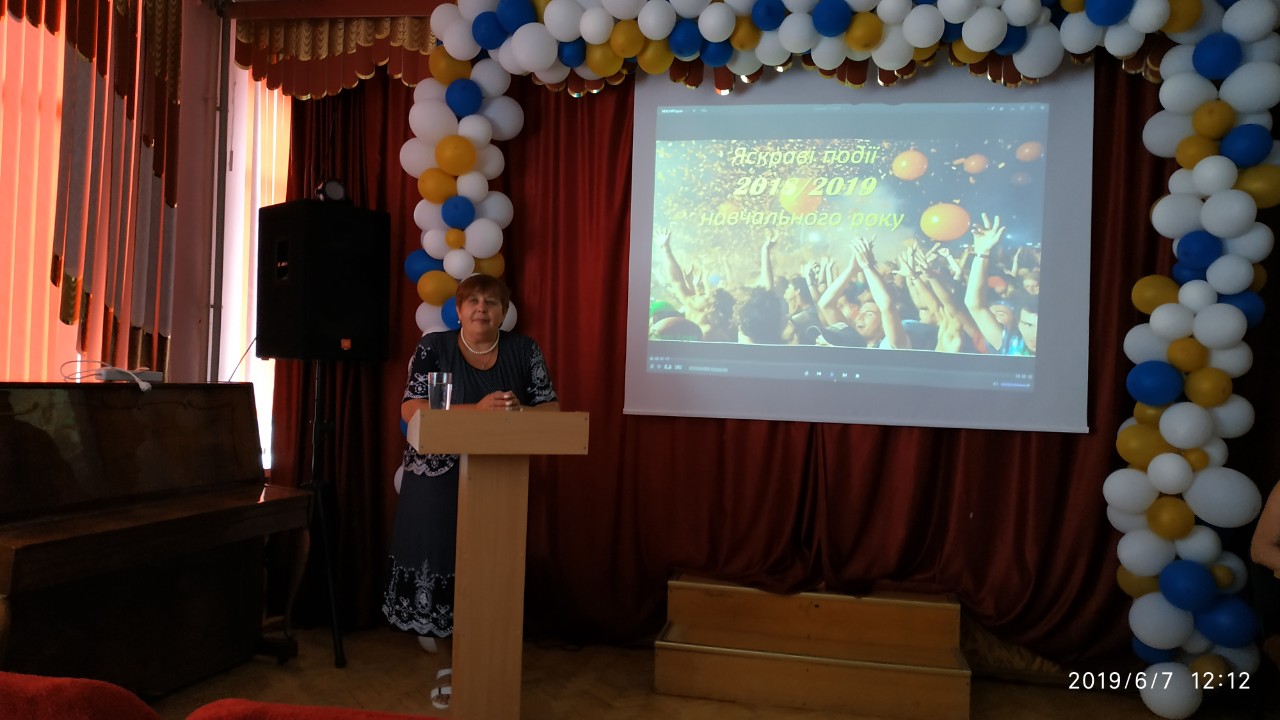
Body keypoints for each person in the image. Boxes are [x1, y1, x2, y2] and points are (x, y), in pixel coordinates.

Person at [382, 274, 559, 710]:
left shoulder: (525, 350)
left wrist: (518, 413)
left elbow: (551, 408)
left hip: (499, 481)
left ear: (504, 311)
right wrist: (476, 411)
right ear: (459, 311)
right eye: (473, 301)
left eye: (492, 302)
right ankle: (447, 666)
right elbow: (411, 407)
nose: (482, 308)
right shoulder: (433, 347)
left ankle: (488, 662)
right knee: (443, 568)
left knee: (490, 569)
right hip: (435, 481)